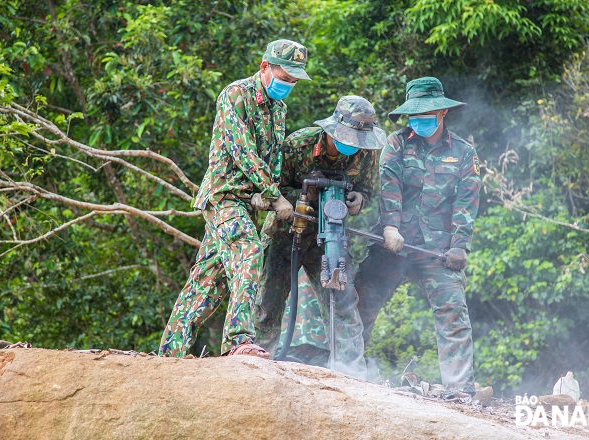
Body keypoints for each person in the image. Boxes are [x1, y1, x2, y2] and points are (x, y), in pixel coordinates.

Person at [158, 39, 310, 359]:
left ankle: (169, 354)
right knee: (248, 251)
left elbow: (273, 161)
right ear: (264, 67)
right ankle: (238, 340)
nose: (288, 85)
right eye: (284, 78)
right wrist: (272, 194)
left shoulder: (278, 108)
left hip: (247, 202)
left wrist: (266, 196)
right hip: (223, 197)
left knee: (208, 283)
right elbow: (242, 150)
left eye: (294, 81)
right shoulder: (235, 94)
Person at [355, 77, 481, 397]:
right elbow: (389, 186)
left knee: (453, 312)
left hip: (437, 249)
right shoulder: (397, 143)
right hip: (392, 243)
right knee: (361, 303)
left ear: (441, 113)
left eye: (425, 116)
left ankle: (459, 388)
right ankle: (346, 371)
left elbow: (466, 203)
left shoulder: (463, 153)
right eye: (414, 116)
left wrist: (459, 245)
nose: (418, 122)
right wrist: (390, 226)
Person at [254, 95, 387, 378]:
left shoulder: (366, 152)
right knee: (269, 301)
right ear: (332, 129)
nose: (353, 146)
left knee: (342, 301)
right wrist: (302, 197)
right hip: (287, 232)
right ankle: (256, 368)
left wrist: (358, 199)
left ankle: (351, 375)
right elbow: (271, 188)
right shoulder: (297, 145)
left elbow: (369, 190)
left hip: (332, 237)